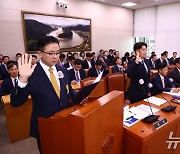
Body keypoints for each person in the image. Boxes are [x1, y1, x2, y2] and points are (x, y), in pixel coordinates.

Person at [10, 36, 78, 152]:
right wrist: (22, 80)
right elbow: (16, 102)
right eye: (51, 53)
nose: (55, 56)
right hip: (45, 126)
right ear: (40, 53)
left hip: (65, 121)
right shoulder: (31, 73)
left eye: (57, 52)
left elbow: (69, 91)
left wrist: (80, 97)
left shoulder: (63, 70)